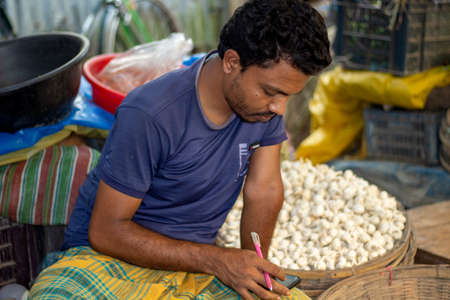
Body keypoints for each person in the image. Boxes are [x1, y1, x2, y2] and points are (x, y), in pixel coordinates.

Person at [30, 0, 331, 299]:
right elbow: (106, 231)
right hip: (108, 261)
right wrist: (219, 260)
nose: (280, 109)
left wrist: (254, 270)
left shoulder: (263, 110)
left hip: (194, 268)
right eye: (270, 92)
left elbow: (263, 189)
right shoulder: (150, 114)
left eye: (289, 95)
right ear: (231, 62)